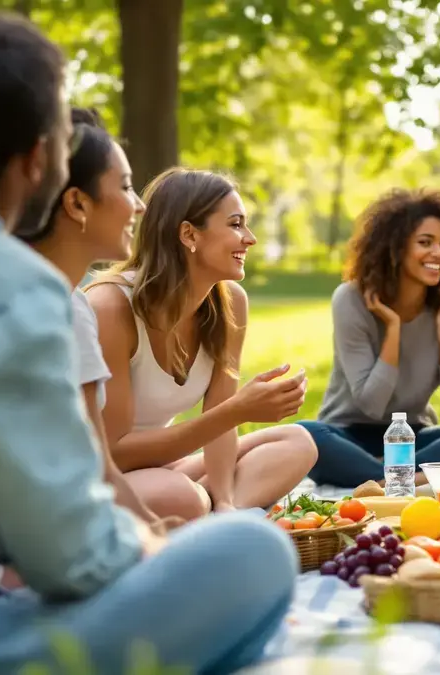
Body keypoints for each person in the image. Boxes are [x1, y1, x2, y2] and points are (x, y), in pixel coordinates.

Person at [0, 12, 295, 675]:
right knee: (253, 554)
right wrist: (159, 550)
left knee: (269, 472)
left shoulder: (221, 304)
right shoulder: (36, 292)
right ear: (39, 162)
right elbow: (67, 547)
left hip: (142, 491)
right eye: (124, 186)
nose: (135, 203)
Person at [86, 168, 317, 519]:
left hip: (163, 470)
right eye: (236, 224)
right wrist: (236, 411)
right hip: (97, 478)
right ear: (189, 234)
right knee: (183, 497)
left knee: (297, 443)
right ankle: (199, 510)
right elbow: (112, 454)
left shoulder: (229, 303)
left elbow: (219, 420)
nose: (250, 238)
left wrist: (224, 499)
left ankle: (218, 513)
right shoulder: (112, 308)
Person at [13, 107, 170, 533]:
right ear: (77, 202)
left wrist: (156, 533)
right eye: (124, 186)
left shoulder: (76, 309)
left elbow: (98, 466)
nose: (138, 206)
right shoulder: (10, 308)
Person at [299, 188, 440, 488]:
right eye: (425, 242)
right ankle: (414, 478)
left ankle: (380, 477)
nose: (438, 254)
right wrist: (393, 329)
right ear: (395, 248)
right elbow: (371, 404)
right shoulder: (351, 299)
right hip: (347, 435)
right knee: (305, 435)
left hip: (413, 437)